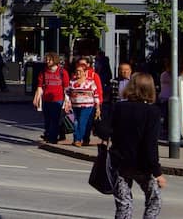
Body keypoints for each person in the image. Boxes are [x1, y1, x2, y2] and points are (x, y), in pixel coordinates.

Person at [105, 72, 165, 218]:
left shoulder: (118, 107)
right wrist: (157, 173)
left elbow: (102, 129)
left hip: (119, 163)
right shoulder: (152, 112)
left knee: (124, 203)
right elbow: (150, 144)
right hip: (142, 165)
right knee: (154, 200)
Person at [34, 53, 70, 144]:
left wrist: (67, 101)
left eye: (50, 59)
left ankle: (52, 138)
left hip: (58, 99)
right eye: (47, 59)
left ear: (55, 60)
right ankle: (48, 134)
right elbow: (39, 86)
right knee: (47, 119)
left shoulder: (62, 72)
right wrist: (36, 97)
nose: (47, 61)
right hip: (46, 99)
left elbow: (66, 88)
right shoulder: (43, 72)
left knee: (55, 119)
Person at [66, 63, 101, 147]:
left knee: (82, 121)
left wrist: (98, 107)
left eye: (80, 71)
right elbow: (67, 93)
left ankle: (78, 139)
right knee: (75, 122)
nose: (78, 73)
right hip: (75, 106)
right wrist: (67, 102)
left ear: (85, 72)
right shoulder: (72, 82)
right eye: (77, 71)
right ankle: (78, 139)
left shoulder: (90, 82)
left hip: (87, 106)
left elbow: (96, 94)